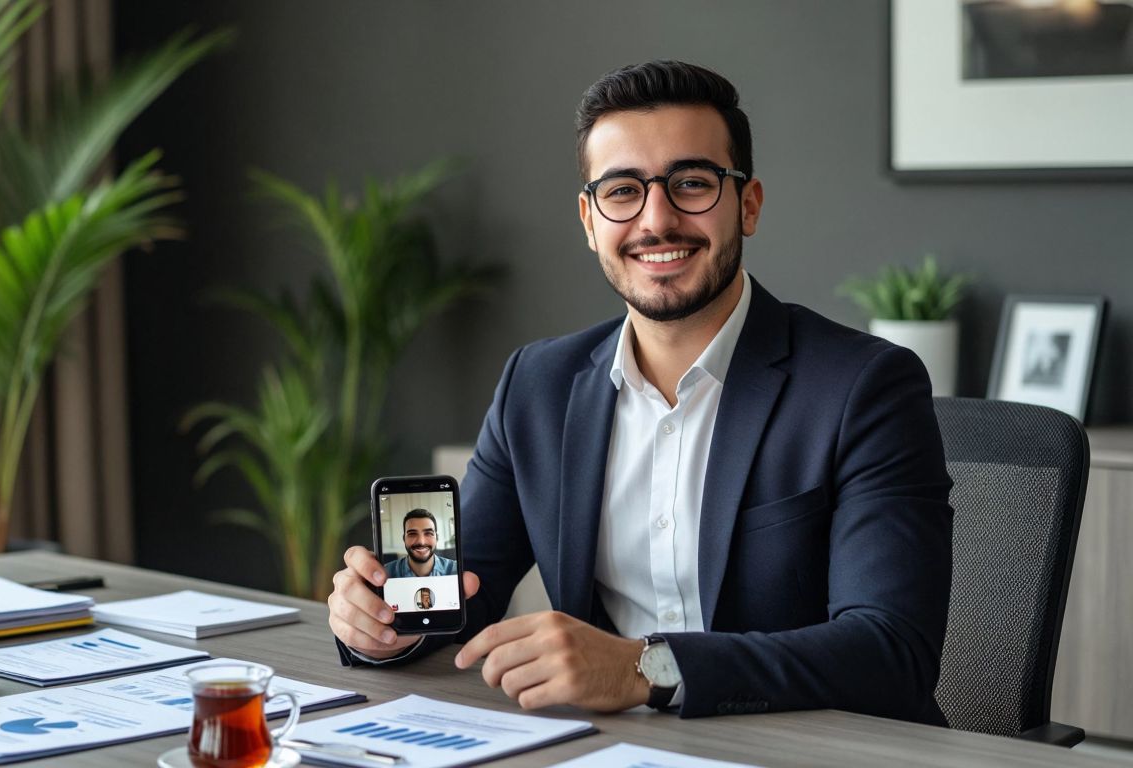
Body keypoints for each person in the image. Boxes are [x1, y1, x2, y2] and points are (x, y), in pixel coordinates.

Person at [327, 60, 952, 724]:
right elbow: (460, 597)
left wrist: (643, 669)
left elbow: (891, 651)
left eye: (690, 183)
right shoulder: (537, 387)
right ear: (590, 219)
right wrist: (383, 623)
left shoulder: (865, 387)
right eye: (623, 191)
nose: (657, 220)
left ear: (748, 204)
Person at [382, 509, 458, 579]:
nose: (421, 542)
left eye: (428, 533)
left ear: (437, 538)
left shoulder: (456, 570)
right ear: (404, 539)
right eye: (412, 534)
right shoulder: (385, 574)